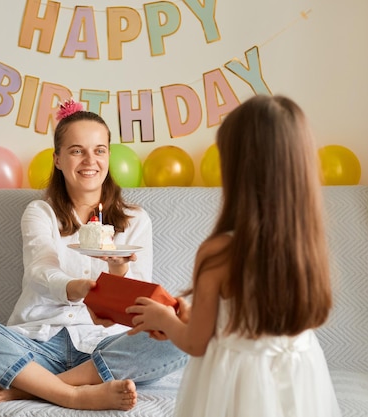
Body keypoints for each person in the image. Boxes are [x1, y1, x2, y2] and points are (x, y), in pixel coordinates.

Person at [0, 100, 187, 411]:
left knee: (188, 326)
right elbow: (40, 273)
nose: (89, 160)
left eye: (99, 150)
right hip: (33, 345)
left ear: (109, 156)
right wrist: (81, 289)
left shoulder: (136, 219)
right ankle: (72, 394)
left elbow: (138, 305)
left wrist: (118, 275)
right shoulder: (40, 212)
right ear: (58, 159)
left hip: (103, 349)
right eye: (76, 150)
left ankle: (34, 387)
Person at [126, 95, 342, 417]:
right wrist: (189, 315)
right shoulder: (308, 245)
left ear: (237, 169)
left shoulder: (219, 252)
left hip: (238, 383)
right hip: (302, 377)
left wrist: (165, 320)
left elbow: (196, 344)